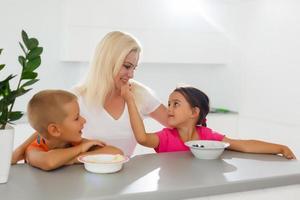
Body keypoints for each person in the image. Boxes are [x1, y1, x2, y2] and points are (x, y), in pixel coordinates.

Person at [12, 31, 168, 162]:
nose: (132, 74)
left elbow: (176, 121)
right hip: (83, 177)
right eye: (127, 66)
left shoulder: (140, 94)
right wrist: (17, 154)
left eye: (134, 67)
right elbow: (46, 129)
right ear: (108, 62)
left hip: (123, 177)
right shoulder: (77, 98)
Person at [121, 84, 296, 159]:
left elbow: (243, 145)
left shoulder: (207, 137)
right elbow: (142, 138)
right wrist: (130, 101)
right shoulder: (165, 137)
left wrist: (279, 148)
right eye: (169, 104)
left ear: (194, 112)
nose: (169, 109)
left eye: (176, 104)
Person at [24, 90, 123, 171]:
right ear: (55, 130)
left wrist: (75, 158)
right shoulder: (34, 150)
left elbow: (116, 153)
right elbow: (50, 161)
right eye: (76, 118)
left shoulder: (75, 143)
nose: (84, 120)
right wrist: (80, 150)